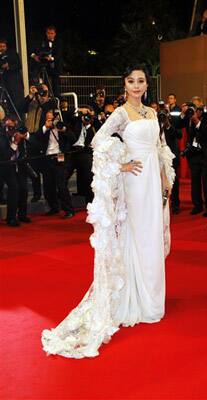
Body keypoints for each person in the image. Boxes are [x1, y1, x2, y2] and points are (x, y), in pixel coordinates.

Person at [41, 64, 175, 358]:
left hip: (153, 180)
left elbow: (159, 145)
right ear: (124, 85)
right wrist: (121, 164)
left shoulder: (152, 113)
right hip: (136, 181)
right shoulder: (121, 113)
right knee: (139, 236)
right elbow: (98, 141)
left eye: (141, 81)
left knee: (152, 235)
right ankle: (136, 298)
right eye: (132, 81)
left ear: (146, 85)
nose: (137, 85)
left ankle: (152, 299)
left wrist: (165, 177)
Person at [30, 26, 62, 98]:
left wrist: (52, 58)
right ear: (46, 33)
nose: (50, 35)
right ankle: (47, 96)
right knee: (46, 85)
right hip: (45, 67)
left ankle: (57, 99)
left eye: (52, 33)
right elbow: (34, 51)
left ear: (55, 34)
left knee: (56, 86)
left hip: (55, 67)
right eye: (48, 33)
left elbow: (59, 54)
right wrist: (36, 56)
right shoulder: (42, 42)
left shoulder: (58, 42)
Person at [0, 38, 25, 117]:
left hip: (16, 84)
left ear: (6, 46)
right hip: (6, 84)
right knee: (9, 105)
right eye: (0, 46)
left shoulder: (12, 53)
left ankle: (21, 122)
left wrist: (8, 66)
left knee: (18, 104)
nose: (2, 48)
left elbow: (19, 65)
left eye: (3, 46)